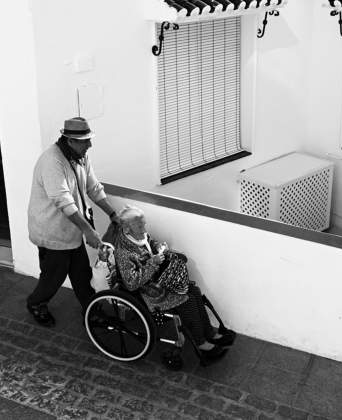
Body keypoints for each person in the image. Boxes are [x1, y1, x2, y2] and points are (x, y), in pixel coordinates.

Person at [26, 117, 119, 327]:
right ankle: (35, 303)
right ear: (70, 140)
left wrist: (113, 214)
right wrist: (88, 231)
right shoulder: (52, 161)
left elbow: (93, 188)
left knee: (81, 274)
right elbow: (63, 201)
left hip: (72, 229)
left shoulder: (81, 155)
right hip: (51, 231)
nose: (90, 145)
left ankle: (91, 311)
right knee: (54, 277)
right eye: (85, 141)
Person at [114, 205, 235, 364]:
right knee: (186, 299)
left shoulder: (139, 235)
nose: (144, 229)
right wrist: (152, 263)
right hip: (147, 291)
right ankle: (201, 343)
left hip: (159, 280)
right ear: (127, 228)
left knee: (194, 291)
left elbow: (150, 243)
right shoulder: (123, 252)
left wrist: (159, 247)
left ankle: (209, 333)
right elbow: (131, 283)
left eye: (144, 224)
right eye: (140, 226)